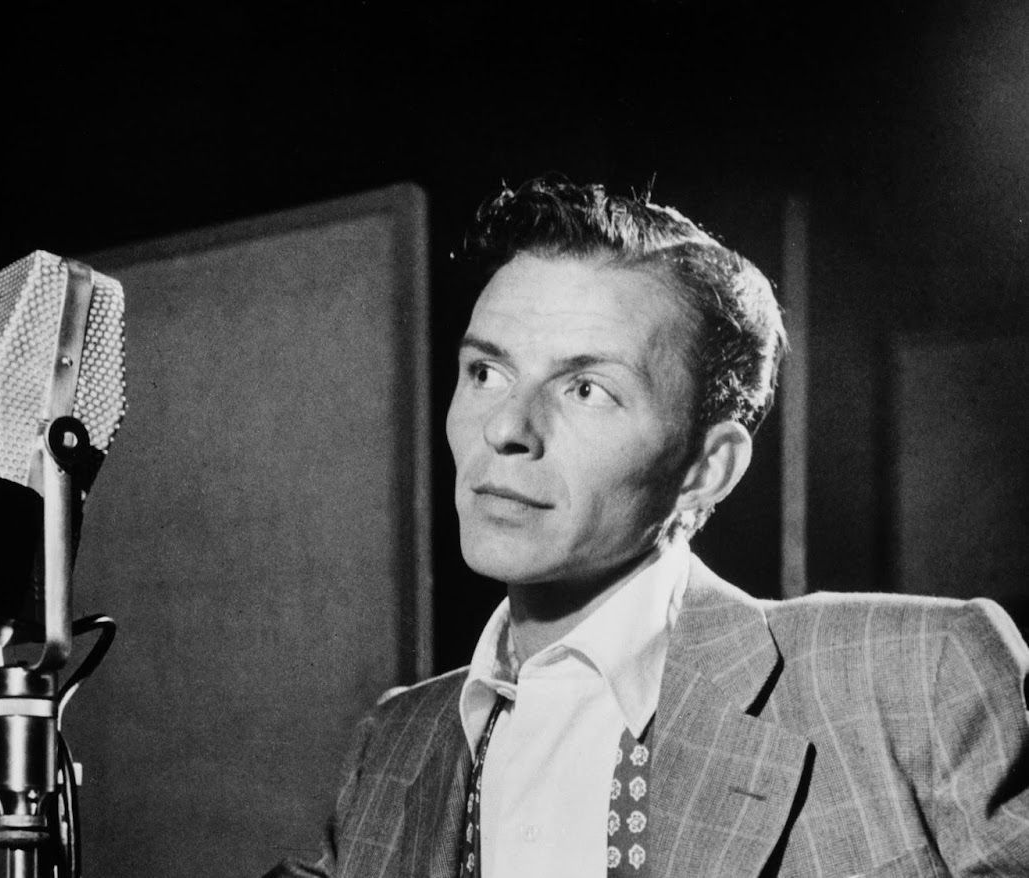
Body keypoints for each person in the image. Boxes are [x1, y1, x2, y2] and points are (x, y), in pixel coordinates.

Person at [268, 175, 1029, 877]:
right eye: (486, 372)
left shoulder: (914, 683)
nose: (505, 428)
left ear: (706, 468)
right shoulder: (392, 744)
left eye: (586, 389)